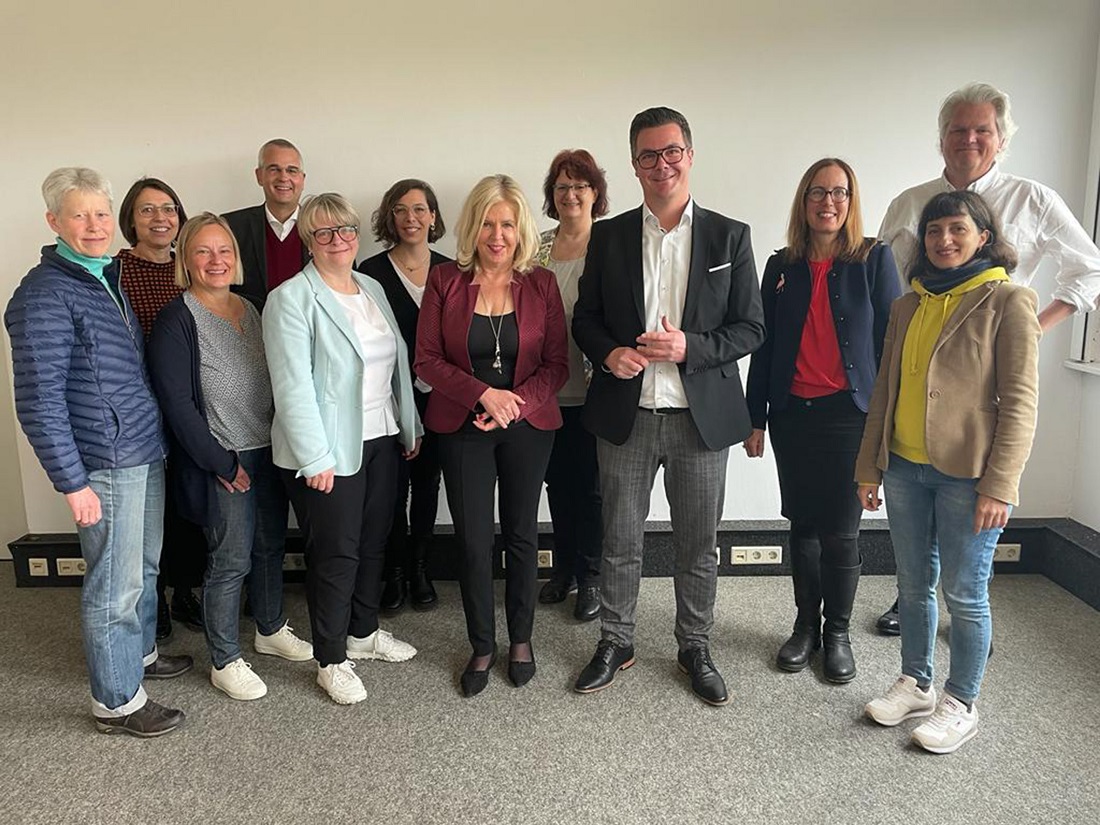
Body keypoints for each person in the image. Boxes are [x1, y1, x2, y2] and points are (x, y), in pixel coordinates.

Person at [873, 81, 1100, 635]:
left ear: (1001, 140)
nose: (969, 139)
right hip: (918, 370)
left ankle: (968, 610)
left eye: (983, 130)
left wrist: (1034, 329)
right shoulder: (909, 201)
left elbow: (1088, 268)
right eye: (958, 130)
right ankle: (915, 601)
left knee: (972, 496)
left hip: (987, 380)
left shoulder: (1034, 199)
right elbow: (883, 285)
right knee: (918, 484)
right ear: (941, 140)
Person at [572, 107, 765, 706]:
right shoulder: (609, 236)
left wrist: (691, 347)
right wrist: (609, 356)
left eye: (672, 151)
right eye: (649, 155)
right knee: (620, 540)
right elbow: (586, 319)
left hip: (700, 421)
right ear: (634, 165)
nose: (662, 164)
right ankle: (616, 640)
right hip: (626, 417)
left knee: (696, 544)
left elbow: (751, 328)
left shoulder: (730, 236)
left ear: (690, 153)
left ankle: (694, 645)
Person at [5, 167, 190, 737]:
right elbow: (38, 399)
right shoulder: (43, 293)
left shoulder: (103, 277)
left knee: (143, 567)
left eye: (101, 214)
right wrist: (72, 482)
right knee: (115, 582)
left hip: (141, 447)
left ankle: (135, 662)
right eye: (80, 215)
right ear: (54, 221)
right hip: (103, 461)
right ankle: (116, 703)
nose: (93, 225)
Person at [859, 190, 1040, 753]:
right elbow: (885, 390)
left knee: (966, 594)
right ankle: (917, 681)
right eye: (934, 232)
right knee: (913, 585)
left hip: (969, 477)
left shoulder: (1007, 301)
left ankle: (961, 702)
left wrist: (1000, 485)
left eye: (957, 230)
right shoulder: (906, 305)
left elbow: (1021, 402)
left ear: (983, 236)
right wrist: (871, 466)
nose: (944, 241)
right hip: (906, 468)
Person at [744, 158, 900, 683]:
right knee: (803, 526)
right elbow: (763, 349)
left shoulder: (873, 260)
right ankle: (804, 627)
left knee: (841, 531)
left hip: (848, 417)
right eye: (817, 192)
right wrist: (755, 416)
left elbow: (891, 346)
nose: (827, 202)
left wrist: (887, 425)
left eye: (839, 192)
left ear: (851, 201)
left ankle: (837, 633)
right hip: (793, 416)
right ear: (803, 200)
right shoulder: (781, 266)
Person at [148, 213, 313, 701]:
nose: (215, 260)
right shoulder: (177, 319)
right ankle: (225, 658)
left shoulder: (254, 308)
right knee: (230, 559)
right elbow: (176, 405)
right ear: (186, 260)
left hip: (269, 449)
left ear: (236, 258)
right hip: (224, 458)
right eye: (203, 251)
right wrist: (222, 463)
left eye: (224, 251)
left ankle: (269, 628)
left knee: (269, 549)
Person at [264, 193, 421, 705]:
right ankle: (331, 659)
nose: (339, 240)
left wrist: (408, 427)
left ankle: (363, 633)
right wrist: (315, 458)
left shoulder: (371, 286)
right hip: (328, 450)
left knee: (375, 542)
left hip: (380, 437)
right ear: (310, 240)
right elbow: (292, 387)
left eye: (347, 229)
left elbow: (396, 363)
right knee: (336, 554)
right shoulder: (291, 298)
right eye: (325, 232)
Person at [415, 174, 568, 697]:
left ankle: (521, 639)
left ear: (520, 228)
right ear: (472, 226)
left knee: (522, 535)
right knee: (474, 541)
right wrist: (484, 395)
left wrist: (512, 406)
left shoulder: (541, 285)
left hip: (528, 427)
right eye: (487, 222)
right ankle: (483, 643)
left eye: (506, 223)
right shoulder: (445, 281)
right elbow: (427, 360)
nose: (497, 234)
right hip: (462, 427)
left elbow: (557, 366)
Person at [116, 176, 205, 640]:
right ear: (131, 218)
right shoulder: (115, 273)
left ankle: (185, 591)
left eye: (168, 208)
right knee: (151, 514)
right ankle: (153, 601)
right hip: (139, 411)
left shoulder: (188, 270)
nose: (160, 218)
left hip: (192, 408)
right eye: (148, 209)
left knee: (187, 505)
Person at [356, 180, 451, 613]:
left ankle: (420, 568)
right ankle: (393, 572)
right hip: (386, 399)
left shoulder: (454, 271)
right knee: (390, 490)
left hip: (441, 400)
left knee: (428, 485)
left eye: (419, 209)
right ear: (389, 219)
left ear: (433, 217)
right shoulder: (369, 272)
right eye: (400, 210)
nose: (410, 218)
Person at [534, 149, 609, 623]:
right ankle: (562, 570)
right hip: (546, 389)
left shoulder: (611, 244)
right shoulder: (536, 247)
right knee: (557, 485)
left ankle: (592, 577)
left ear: (595, 193)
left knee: (594, 489)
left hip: (597, 388)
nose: (570, 194)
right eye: (562, 187)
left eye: (580, 185)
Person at [223, 138, 309, 310]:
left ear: (302, 179)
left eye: (292, 170)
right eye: (274, 169)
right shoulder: (230, 227)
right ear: (259, 176)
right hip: (248, 332)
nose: (283, 177)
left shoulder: (325, 230)